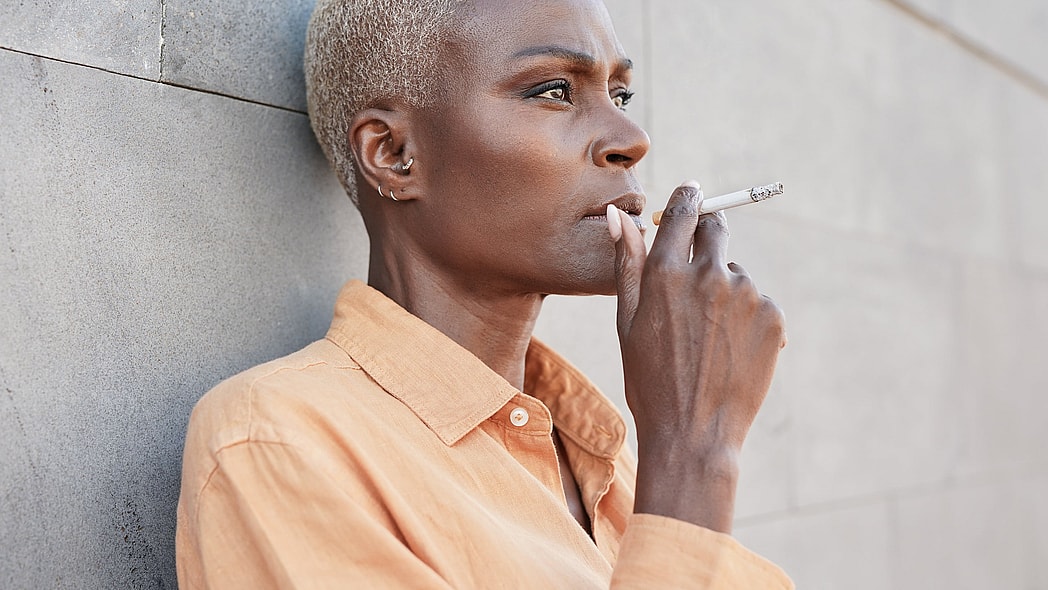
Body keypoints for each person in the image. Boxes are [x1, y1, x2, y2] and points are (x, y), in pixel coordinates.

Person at [175, 0, 792, 587]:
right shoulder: (278, 441)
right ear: (394, 154)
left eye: (621, 93)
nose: (631, 136)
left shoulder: (600, 454)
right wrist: (693, 449)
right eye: (553, 91)